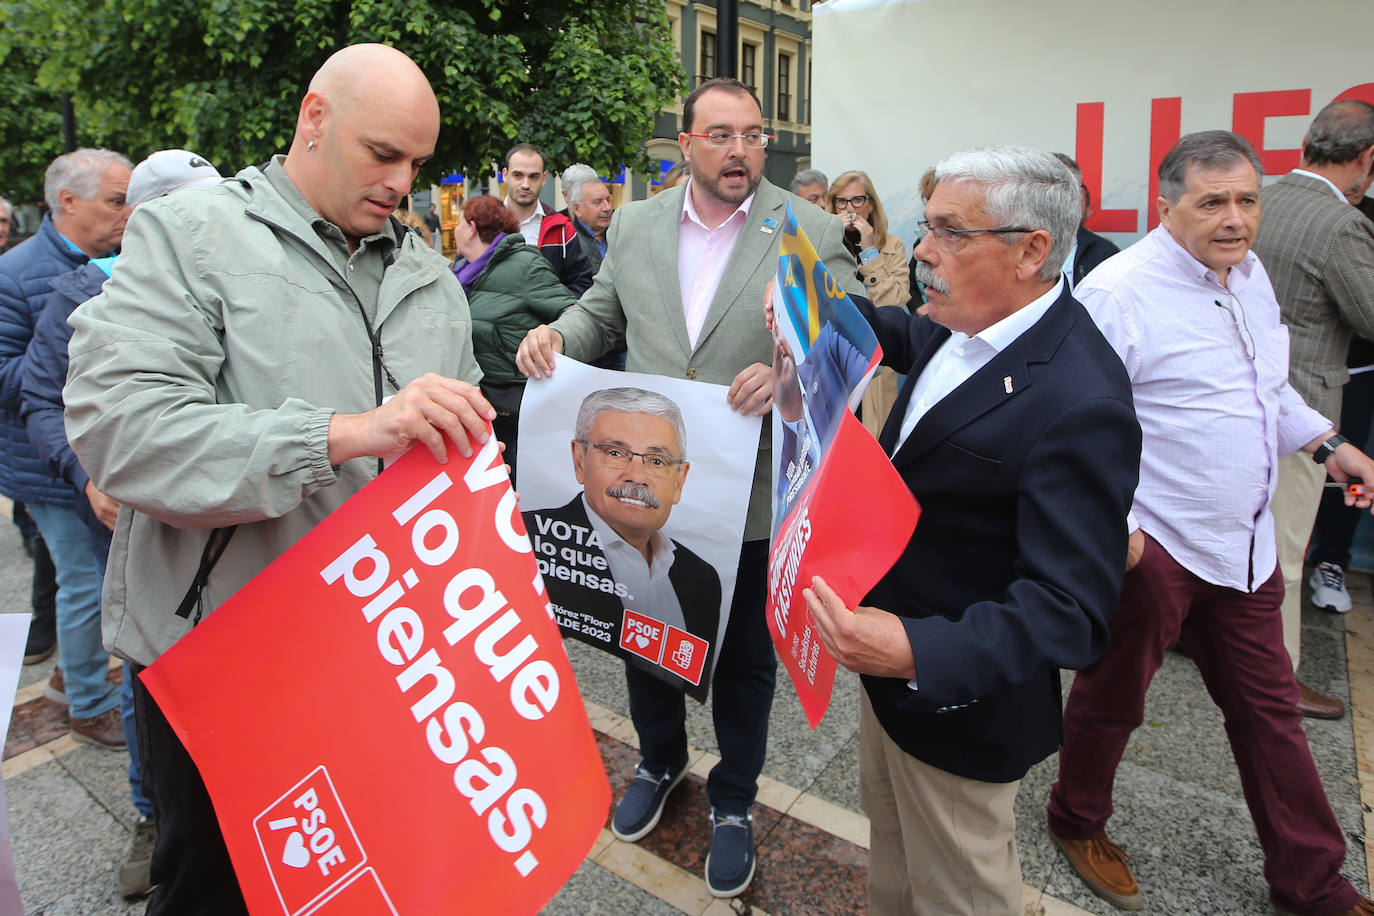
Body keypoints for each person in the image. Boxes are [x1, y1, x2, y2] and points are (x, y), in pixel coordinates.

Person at [64, 43, 491, 914]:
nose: (403, 183)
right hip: (219, 658)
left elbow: (455, 454)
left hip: (379, 660)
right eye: (384, 154)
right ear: (313, 118)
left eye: (417, 162)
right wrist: (340, 435)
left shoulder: (430, 281)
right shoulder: (191, 234)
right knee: (214, 890)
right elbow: (121, 431)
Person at [515, 76, 861, 898]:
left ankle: (735, 801)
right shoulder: (634, 224)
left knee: (744, 660)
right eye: (720, 135)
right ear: (688, 146)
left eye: (752, 134)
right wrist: (553, 338)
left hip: (746, 496)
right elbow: (601, 315)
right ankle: (662, 759)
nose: (739, 150)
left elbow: (844, 351)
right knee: (646, 639)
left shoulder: (808, 230)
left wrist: (787, 372)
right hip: (643, 489)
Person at [801, 146, 1140, 915]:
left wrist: (917, 650)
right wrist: (818, 311)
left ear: (1031, 252)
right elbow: (907, 337)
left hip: (958, 702)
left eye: (951, 233)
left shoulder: (1080, 400)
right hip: (889, 682)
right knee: (893, 864)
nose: (922, 250)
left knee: (961, 890)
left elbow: (1072, 609)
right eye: (926, 226)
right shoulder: (966, 320)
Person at [1046, 131, 1374, 916]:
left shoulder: (1251, 276)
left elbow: (1268, 390)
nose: (1235, 219)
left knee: (1271, 714)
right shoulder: (1119, 291)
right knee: (1115, 694)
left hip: (1248, 544)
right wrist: (1121, 525)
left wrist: (1328, 443)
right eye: (1213, 201)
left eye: (1247, 200)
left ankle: (1312, 880)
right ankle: (1076, 817)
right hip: (1157, 543)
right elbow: (1070, 422)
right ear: (1167, 207)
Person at [22, 146, 223, 901]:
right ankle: (152, 813)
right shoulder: (80, 294)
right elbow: (42, 400)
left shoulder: (233, 285)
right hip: (134, 538)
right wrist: (88, 474)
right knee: (152, 680)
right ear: (140, 219)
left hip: (219, 546)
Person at [0, 147, 132, 747]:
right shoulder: (19, 272)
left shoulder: (111, 262)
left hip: (88, 458)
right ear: (68, 201)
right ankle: (86, 698)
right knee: (84, 583)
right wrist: (65, 342)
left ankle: (71, 675)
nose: (126, 213)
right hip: (45, 465)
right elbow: (12, 380)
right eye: (115, 200)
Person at [1250, 100, 1374, 718]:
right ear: (1367, 158)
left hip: (1249, 400)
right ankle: (1280, 681)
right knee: (1285, 555)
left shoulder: (1258, 201)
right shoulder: (1339, 222)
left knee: (1252, 544)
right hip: (1301, 411)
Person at [525, 387, 722, 646]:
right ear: (579, 460)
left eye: (656, 461)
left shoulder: (702, 578)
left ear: (679, 481)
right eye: (615, 453)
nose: (637, 477)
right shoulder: (527, 545)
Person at [452, 193, 575, 475]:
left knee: (517, 488)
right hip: (477, 399)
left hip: (515, 403)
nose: (456, 229)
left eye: (459, 222)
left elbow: (573, 314)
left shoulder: (525, 265)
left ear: (471, 227)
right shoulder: (460, 272)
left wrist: (545, 337)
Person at [1308, 164, 1374, 614]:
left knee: (1350, 476)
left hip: (1359, 373)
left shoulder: (1364, 219)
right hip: (1304, 378)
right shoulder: (1327, 218)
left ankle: (1332, 560)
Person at [826, 169, 910, 437]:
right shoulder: (825, 245)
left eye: (857, 201)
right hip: (834, 362)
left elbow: (895, 301)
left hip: (876, 365)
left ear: (871, 204)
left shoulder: (892, 245)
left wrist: (870, 251)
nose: (850, 209)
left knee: (874, 438)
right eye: (842, 202)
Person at [502, 143, 595, 296]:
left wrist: (551, 308)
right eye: (518, 175)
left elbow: (582, 284)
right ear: (505, 175)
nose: (525, 184)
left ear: (544, 178)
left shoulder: (563, 229)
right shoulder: (483, 224)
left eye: (533, 176)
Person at [1052, 153, 1121, 287]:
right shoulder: (1011, 246)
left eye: (1064, 188)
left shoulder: (1105, 254)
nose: (1055, 197)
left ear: (1080, 195)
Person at [561, 163, 613, 274]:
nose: (607, 208)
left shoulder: (620, 230)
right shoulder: (562, 236)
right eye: (597, 202)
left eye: (608, 200)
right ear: (577, 208)